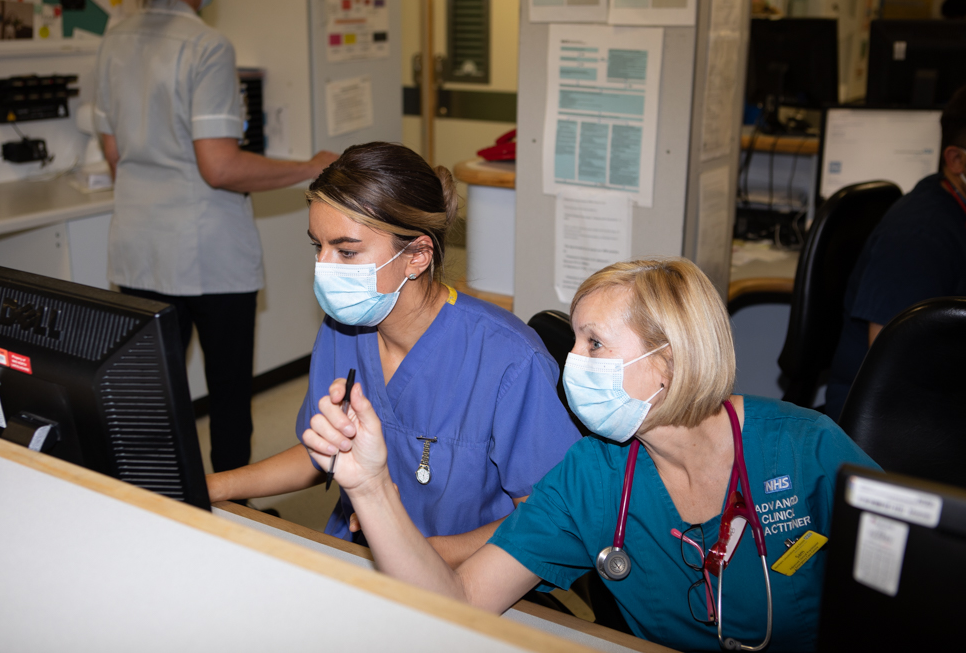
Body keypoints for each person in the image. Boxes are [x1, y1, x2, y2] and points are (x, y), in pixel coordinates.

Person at [304, 257, 880, 652]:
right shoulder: (592, 475)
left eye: (594, 344)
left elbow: (924, 591)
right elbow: (462, 601)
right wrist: (370, 486)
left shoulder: (806, 449)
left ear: (670, 360)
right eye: (576, 341)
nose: (571, 362)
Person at [206, 142, 581, 565]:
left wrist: (426, 556)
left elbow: (551, 516)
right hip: (359, 557)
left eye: (346, 252)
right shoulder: (341, 328)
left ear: (417, 256)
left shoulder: (507, 360)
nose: (324, 268)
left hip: (465, 573)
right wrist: (214, 486)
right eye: (319, 247)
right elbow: (321, 452)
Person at [93, 0, 337, 474]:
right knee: (228, 392)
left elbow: (114, 152)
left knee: (151, 391)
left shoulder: (115, 38)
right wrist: (309, 167)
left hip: (139, 244)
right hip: (207, 252)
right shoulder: (206, 46)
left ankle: (158, 493)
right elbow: (220, 167)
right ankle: (234, 504)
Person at [825, 86, 966, 421]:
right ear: (956, 159)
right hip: (885, 423)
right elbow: (895, 358)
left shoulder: (953, 210)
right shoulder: (920, 235)